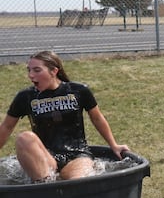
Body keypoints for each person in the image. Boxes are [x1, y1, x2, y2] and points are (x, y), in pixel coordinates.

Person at [0, 50, 129, 182]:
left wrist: (114, 145)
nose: (31, 75)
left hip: (77, 155)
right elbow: (6, 127)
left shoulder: (78, 91)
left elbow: (97, 118)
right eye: (29, 70)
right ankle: (44, 185)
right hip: (46, 156)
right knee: (24, 137)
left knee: (77, 183)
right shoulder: (25, 96)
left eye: (37, 70)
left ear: (54, 71)